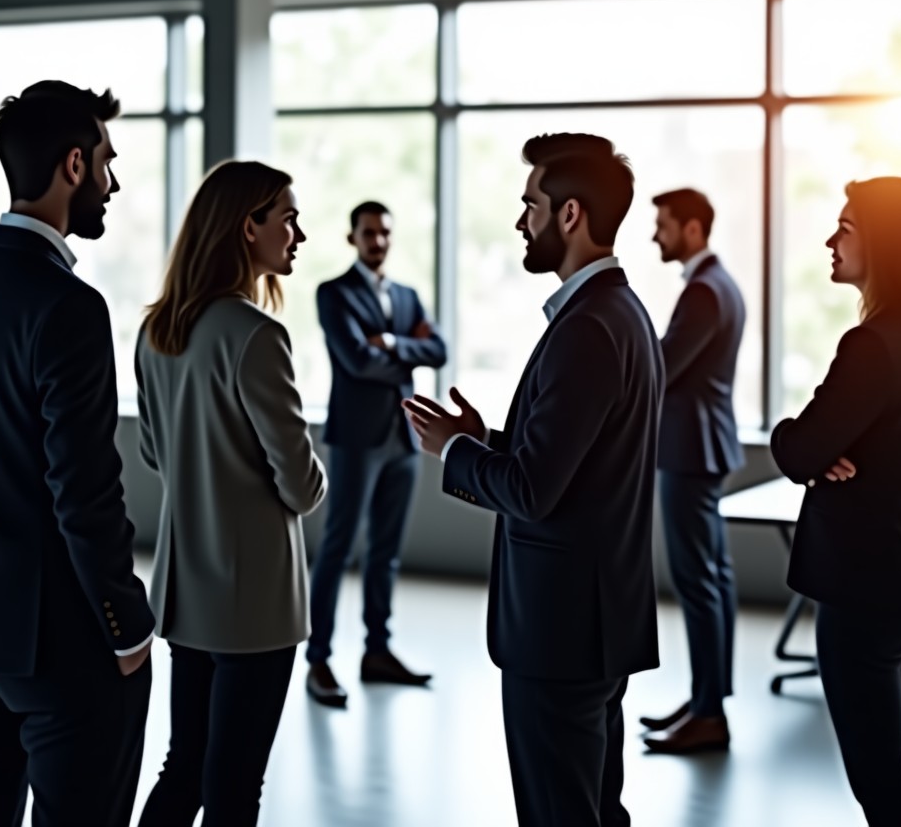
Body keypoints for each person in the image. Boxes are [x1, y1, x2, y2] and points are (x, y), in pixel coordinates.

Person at [404, 133, 663, 827]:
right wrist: (485, 437)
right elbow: (576, 462)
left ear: (570, 215)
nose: (521, 221)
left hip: (561, 631)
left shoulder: (588, 328)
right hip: (594, 622)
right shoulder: (620, 314)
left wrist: (454, 452)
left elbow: (531, 491)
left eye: (531, 205)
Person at [0, 81, 154, 827]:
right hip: (65, 645)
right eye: (106, 160)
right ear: (74, 165)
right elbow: (85, 490)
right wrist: (125, 624)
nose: (113, 180)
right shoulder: (69, 305)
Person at [770, 177, 901, 827]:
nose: (830, 241)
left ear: (884, 246)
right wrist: (815, 444)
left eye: (847, 229)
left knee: (880, 783)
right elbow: (820, 448)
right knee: (899, 764)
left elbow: (799, 451)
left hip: (863, 592)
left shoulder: (872, 345)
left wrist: (796, 439)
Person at [135, 160, 327, 827]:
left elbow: (156, 453)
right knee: (235, 788)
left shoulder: (156, 331)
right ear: (250, 228)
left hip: (186, 593)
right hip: (257, 606)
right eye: (288, 218)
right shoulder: (257, 336)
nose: (298, 234)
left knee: (182, 768)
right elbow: (301, 488)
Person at [306, 201, 447, 707]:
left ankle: (377, 651)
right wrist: (407, 349)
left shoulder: (407, 297)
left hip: (403, 438)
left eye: (385, 232)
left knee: (385, 554)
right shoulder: (333, 293)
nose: (378, 241)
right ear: (353, 238)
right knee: (338, 548)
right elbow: (356, 362)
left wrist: (389, 341)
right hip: (357, 440)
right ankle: (318, 659)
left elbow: (441, 350)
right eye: (368, 232)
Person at [641, 188, 745, 754]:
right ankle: (707, 699)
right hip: (706, 448)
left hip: (690, 452)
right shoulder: (721, 285)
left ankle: (709, 712)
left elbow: (664, 366)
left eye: (664, 225)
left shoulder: (704, 292)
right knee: (715, 580)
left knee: (697, 582)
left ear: (694, 230)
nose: (656, 234)